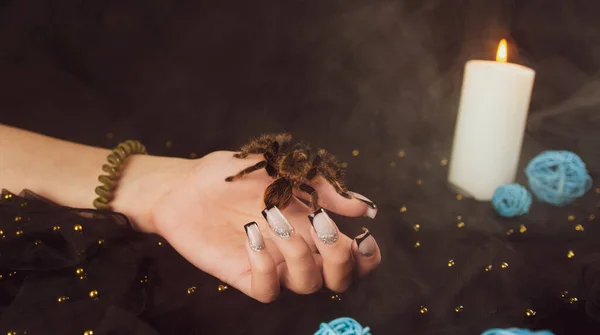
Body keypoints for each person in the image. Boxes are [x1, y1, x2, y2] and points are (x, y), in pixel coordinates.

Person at [0, 123, 381, 303]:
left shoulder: (299, 176)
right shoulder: (284, 170)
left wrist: (324, 203)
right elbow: (264, 155)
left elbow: (316, 179)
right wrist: (239, 170)